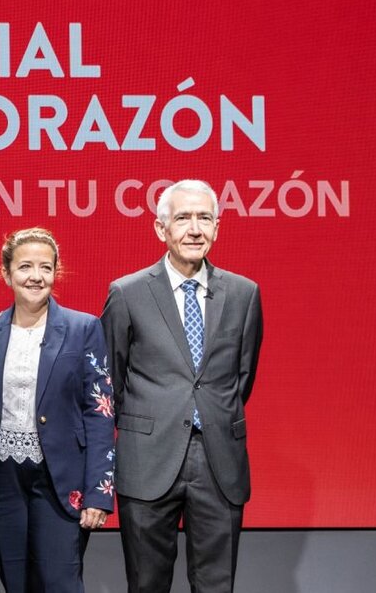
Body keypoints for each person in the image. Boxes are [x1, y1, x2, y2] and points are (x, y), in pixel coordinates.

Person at [101, 180, 263, 593]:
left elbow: (242, 378)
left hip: (218, 461)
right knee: (147, 583)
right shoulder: (128, 293)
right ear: (161, 229)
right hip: (147, 459)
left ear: (217, 227)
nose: (194, 229)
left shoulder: (244, 294)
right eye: (183, 218)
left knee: (216, 584)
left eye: (204, 218)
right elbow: (110, 381)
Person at [0, 227, 116, 593]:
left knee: (59, 584)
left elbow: (100, 413)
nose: (36, 276)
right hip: (2, 479)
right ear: (7, 273)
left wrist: (99, 492)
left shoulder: (83, 328)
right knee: (16, 583)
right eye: (25, 267)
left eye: (45, 267)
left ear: (56, 273)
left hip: (61, 479)